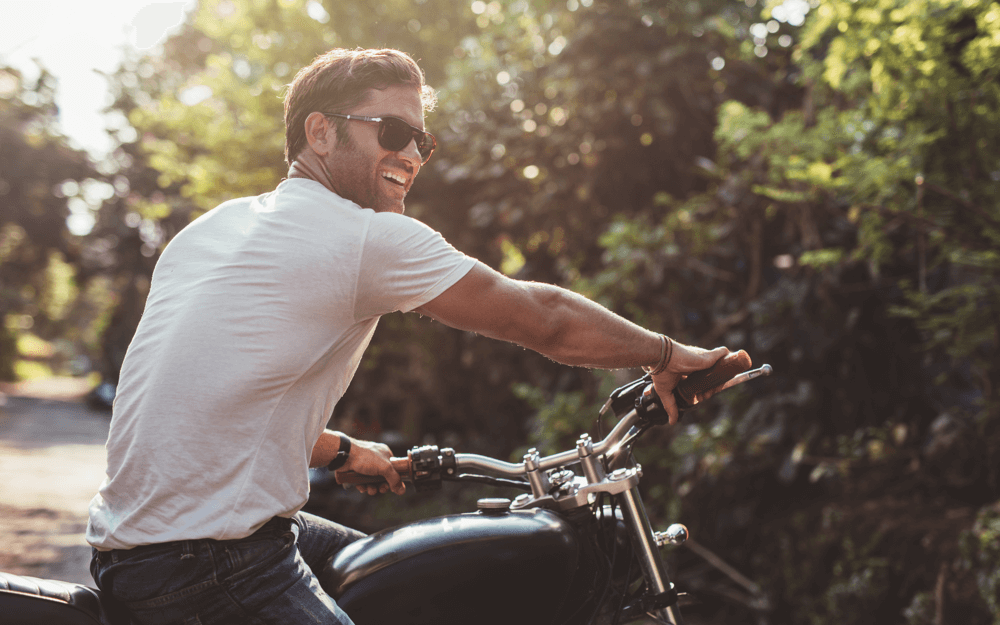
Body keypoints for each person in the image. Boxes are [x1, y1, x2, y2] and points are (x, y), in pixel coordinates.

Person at [86, 48, 730, 625]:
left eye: (424, 141)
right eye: (393, 132)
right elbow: (545, 319)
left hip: (139, 550)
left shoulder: (212, 230)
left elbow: (203, 403)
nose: (413, 155)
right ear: (320, 131)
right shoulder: (363, 236)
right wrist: (669, 355)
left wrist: (339, 451)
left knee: (400, 573)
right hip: (207, 568)